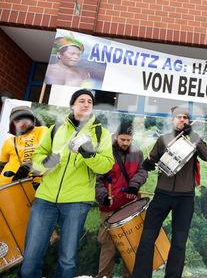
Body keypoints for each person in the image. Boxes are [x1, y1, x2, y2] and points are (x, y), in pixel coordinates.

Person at [17, 89, 114, 278]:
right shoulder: (56, 128)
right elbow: (37, 158)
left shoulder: (101, 133)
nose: (86, 104)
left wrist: (89, 155)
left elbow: (105, 166)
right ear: (72, 105)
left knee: (67, 260)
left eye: (89, 101)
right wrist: (47, 163)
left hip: (77, 202)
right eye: (81, 100)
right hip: (45, 198)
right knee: (30, 257)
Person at [131, 106, 207, 278]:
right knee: (147, 238)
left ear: (188, 121)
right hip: (162, 193)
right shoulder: (163, 139)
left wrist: (194, 137)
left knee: (179, 241)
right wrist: (147, 164)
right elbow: (152, 160)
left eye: (185, 117)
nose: (182, 120)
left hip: (185, 197)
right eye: (178, 117)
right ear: (172, 119)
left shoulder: (194, 139)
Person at [95, 120, 148, 278]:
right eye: (122, 139)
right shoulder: (105, 151)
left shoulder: (137, 152)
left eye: (128, 140)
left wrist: (134, 184)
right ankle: (104, 276)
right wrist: (103, 196)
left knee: (132, 245)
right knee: (108, 246)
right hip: (109, 207)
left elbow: (143, 171)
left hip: (131, 205)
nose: (125, 143)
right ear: (116, 136)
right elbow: (97, 179)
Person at [0, 106, 47, 185]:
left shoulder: (42, 130)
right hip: (5, 186)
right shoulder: (9, 141)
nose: (22, 122)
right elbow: (1, 165)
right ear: (13, 123)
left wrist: (24, 170)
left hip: (34, 184)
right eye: (17, 120)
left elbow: (42, 151)